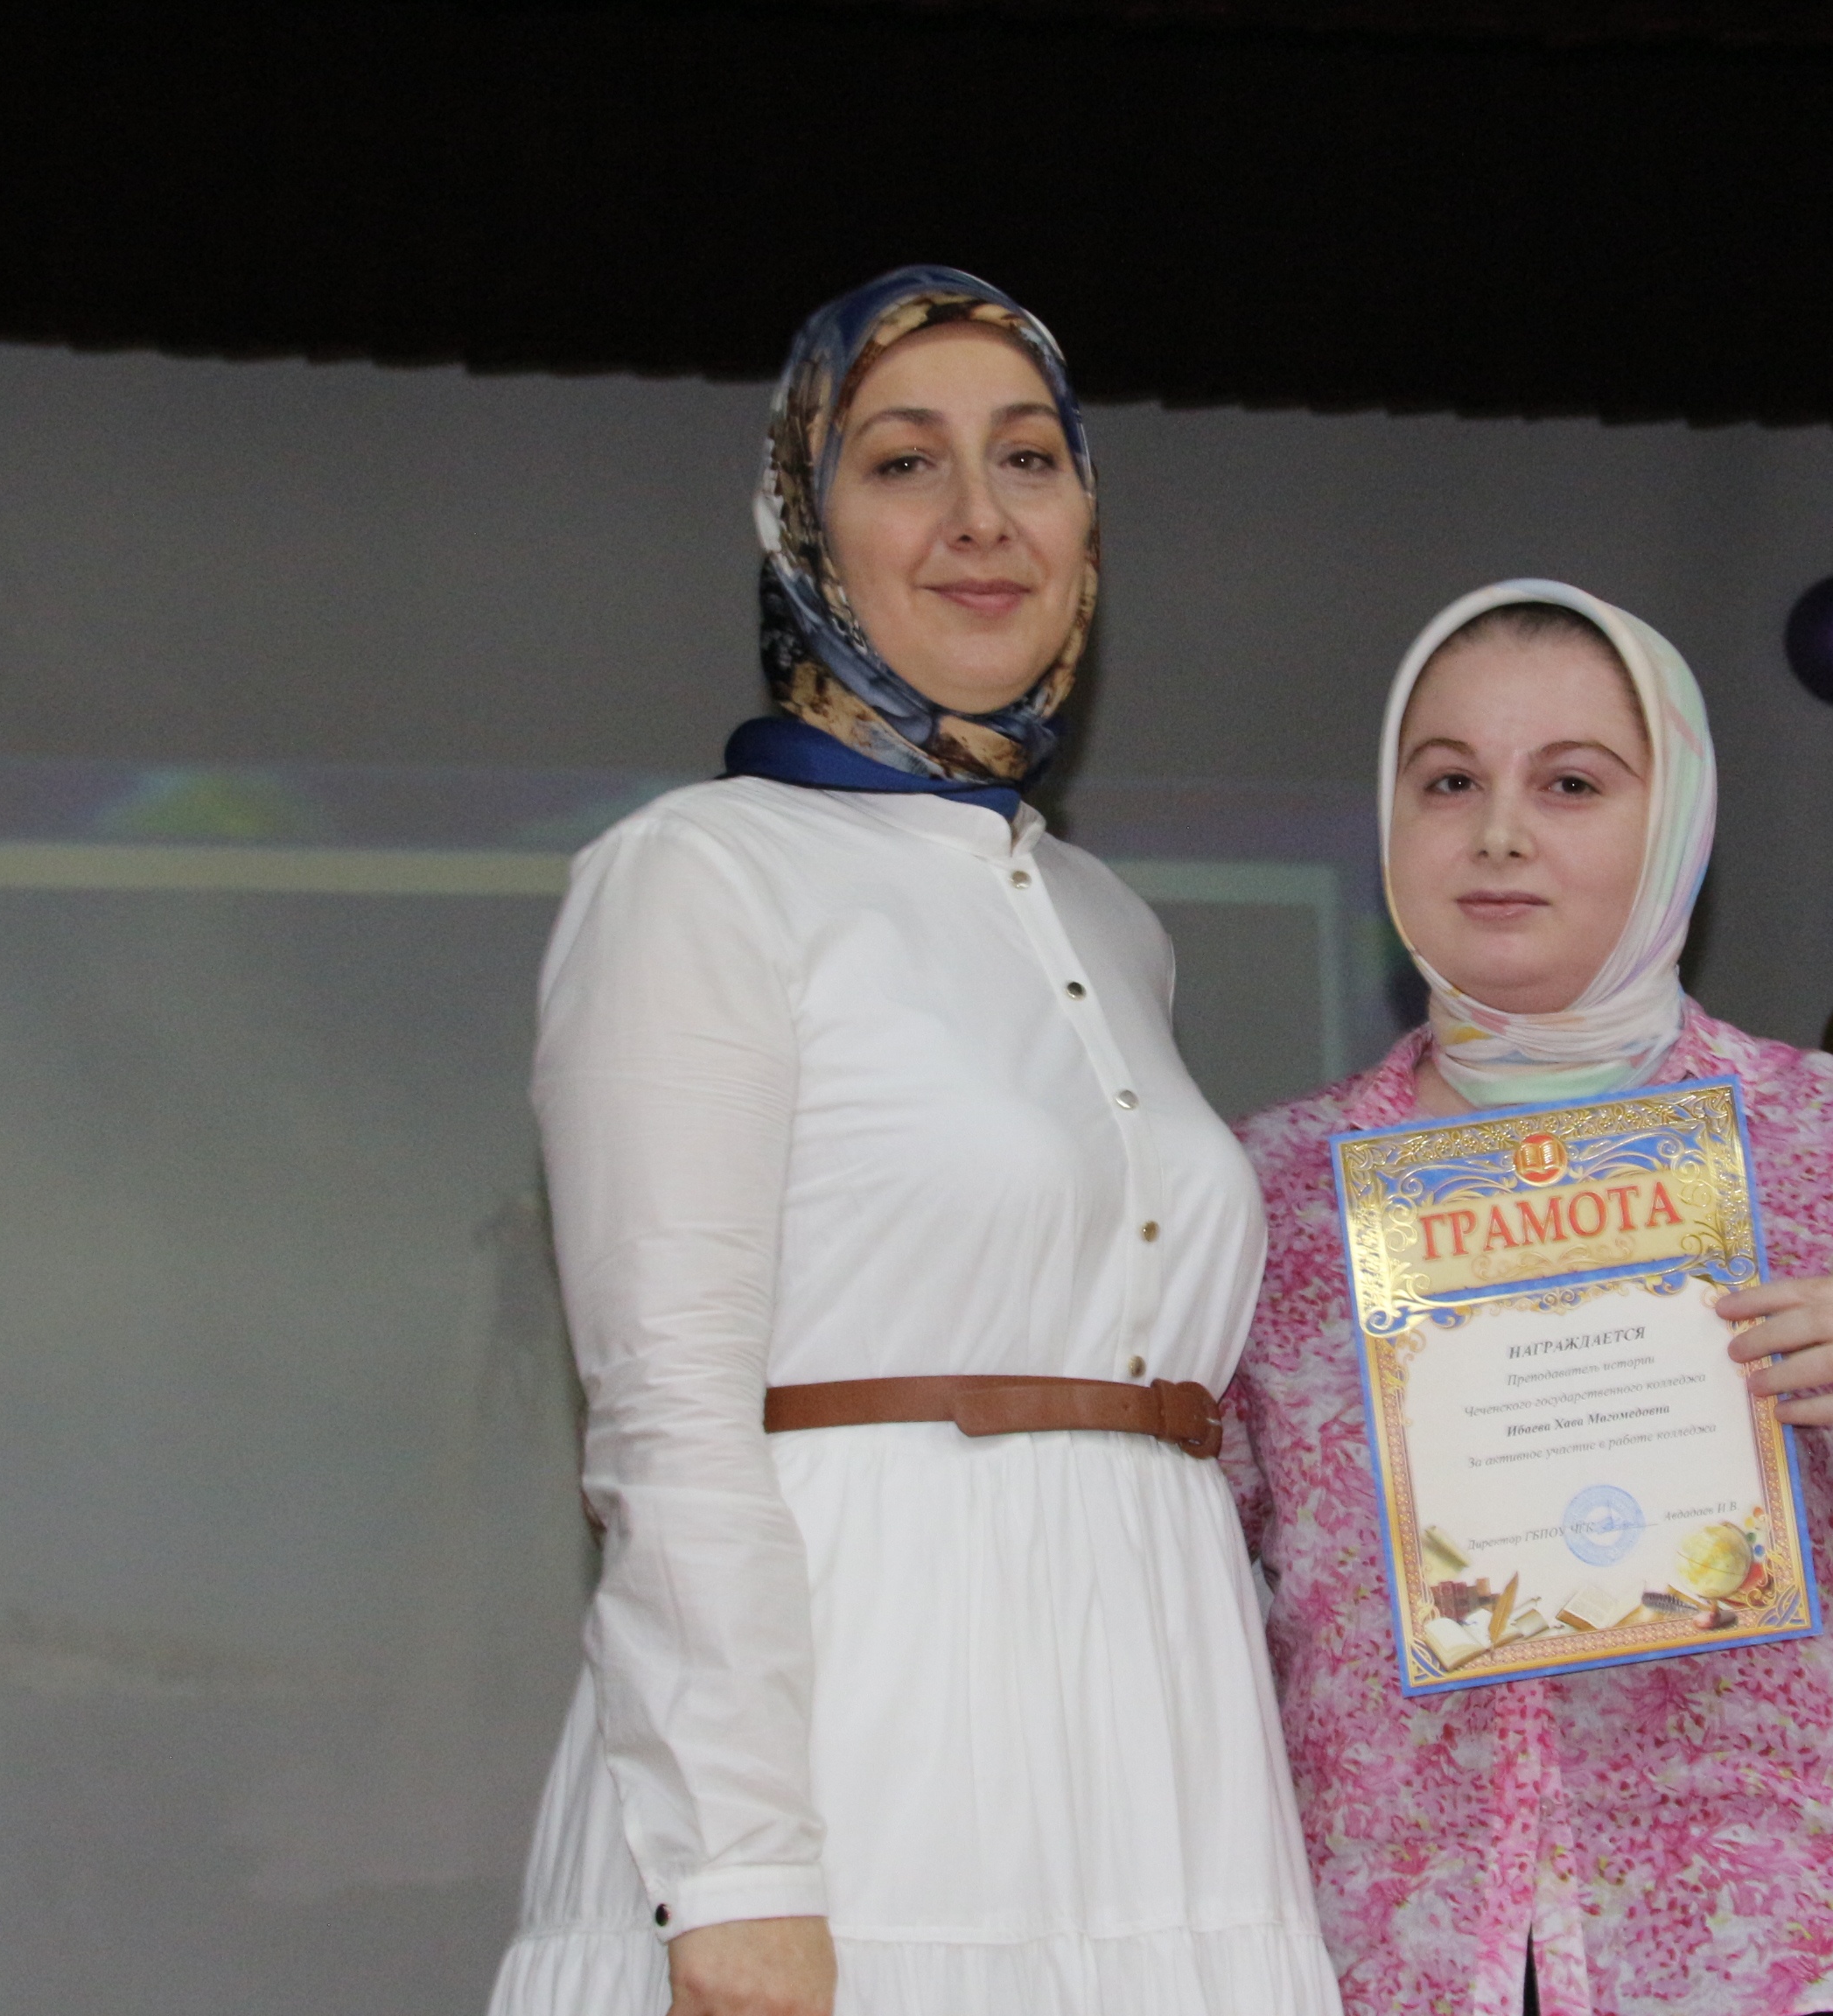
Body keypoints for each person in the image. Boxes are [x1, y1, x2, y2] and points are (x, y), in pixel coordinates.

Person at [489, 269, 1343, 2016]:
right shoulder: (696, 875)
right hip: (863, 1760)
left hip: (1158, 1764)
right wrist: (740, 1871)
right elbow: (665, 1416)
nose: (980, 518)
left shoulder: (1109, 922)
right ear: (805, 523)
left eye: (1029, 459)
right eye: (902, 463)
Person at [1225, 580, 1833, 2016]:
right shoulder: (1268, 1196)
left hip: (1823, 1963)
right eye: (1449, 781)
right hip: (1407, 1971)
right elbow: (1170, 1602)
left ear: (1680, 828)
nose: (1499, 832)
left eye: (1572, 783)